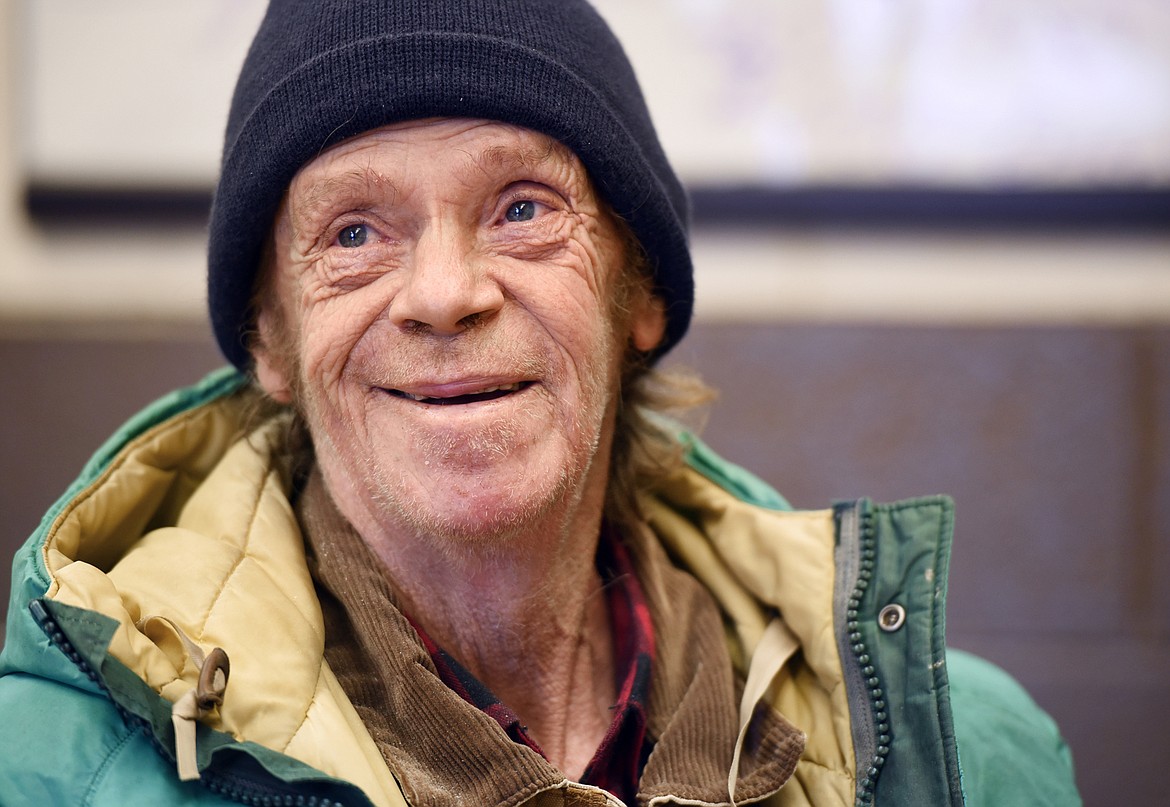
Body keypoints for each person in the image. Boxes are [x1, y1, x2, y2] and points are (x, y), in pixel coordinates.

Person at [0, 1, 1080, 804]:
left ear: (637, 289)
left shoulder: (967, 752)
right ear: (272, 339)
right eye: (354, 234)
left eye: (522, 208)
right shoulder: (41, 769)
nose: (444, 294)